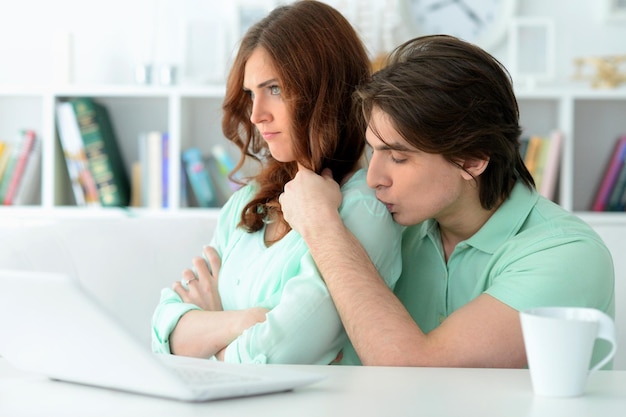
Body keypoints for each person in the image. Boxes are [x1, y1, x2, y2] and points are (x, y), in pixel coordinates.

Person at [279, 34, 615, 368]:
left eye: (397, 157)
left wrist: (320, 226)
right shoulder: (396, 225)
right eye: (373, 151)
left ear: (471, 160)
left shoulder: (566, 254)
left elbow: (416, 368)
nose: (373, 179)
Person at [151, 0, 403, 365]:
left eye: (275, 89)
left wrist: (209, 332)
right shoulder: (247, 202)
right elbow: (164, 330)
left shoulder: (365, 207)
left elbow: (279, 354)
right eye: (252, 93)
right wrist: (247, 321)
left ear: (324, 90)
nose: (256, 114)